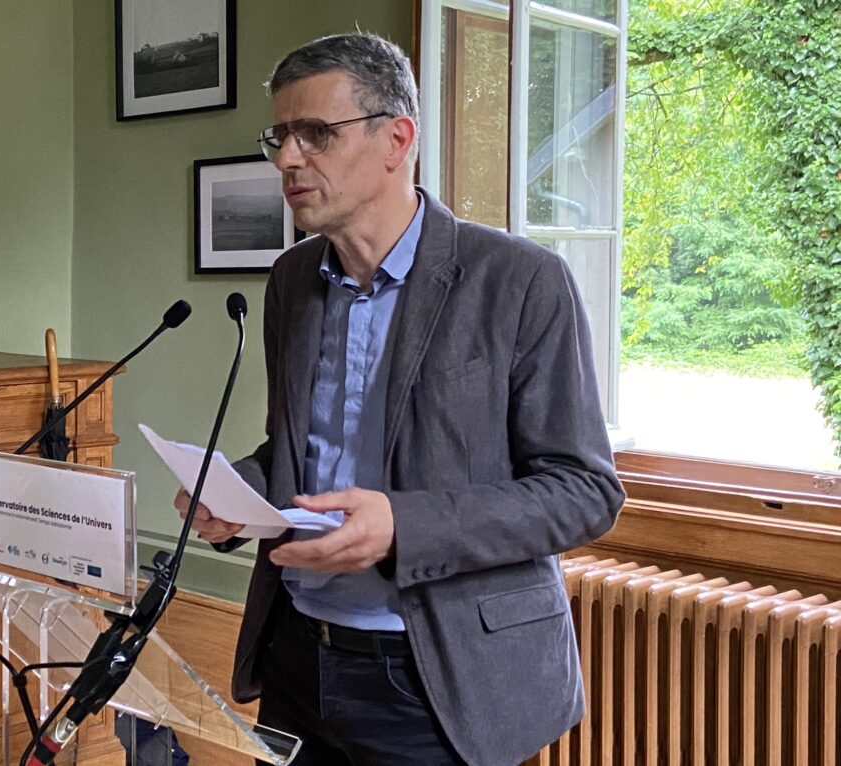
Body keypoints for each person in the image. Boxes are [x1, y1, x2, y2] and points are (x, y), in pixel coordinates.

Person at [174, 32, 624, 766]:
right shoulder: (291, 280)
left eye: (316, 133)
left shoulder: (520, 281)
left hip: (437, 677)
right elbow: (302, 454)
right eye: (280, 136)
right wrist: (238, 493)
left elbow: (583, 493)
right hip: (297, 655)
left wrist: (402, 527)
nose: (289, 159)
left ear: (398, 139)